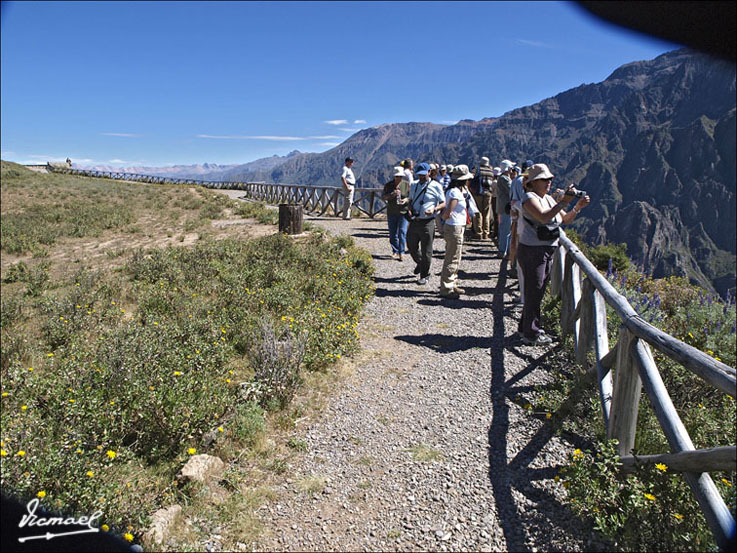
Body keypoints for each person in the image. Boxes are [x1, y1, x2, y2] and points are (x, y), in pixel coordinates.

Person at [517, 163, 590, 345]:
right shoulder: (529, 199)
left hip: (547, 249)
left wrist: (577, 207)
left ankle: (525, 327)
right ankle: (531, 333)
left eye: (550, 179)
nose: (549, 182)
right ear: (533, 182)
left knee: (538, 290)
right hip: (533, 250)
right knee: (535, 290)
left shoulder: (549, 199)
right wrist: (564, 201)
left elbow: (564, 219)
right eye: (545, 179)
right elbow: (543, 217)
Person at [439, 165, 476, 298]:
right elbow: (448, 212)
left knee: (456, 256)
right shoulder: (455, 193)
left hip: (456, 226)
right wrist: (445, 218)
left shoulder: (456, 191)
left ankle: (452, 283)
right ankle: (446, 288)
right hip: (454, 227)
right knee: (452, 257)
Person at [406, 162, 446, 285]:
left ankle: (425, 275)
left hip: (428, 222)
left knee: (426, 250)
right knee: (411, 246)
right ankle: (420, 263)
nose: (421, 177)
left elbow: (443, 203)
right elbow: (411, 200)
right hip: (415, 220)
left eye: (424, 174)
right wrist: (409, 209)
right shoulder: (414, 185)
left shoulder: (436, 186)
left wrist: (434, 209)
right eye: (419, 175)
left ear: (429, 172)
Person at [382, 166, 410, 260]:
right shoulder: (388, 185)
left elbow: (411, 197)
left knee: (402, 232)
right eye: (397, 176)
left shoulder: (407, 185)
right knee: (392, 233)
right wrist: (391, 195)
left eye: (400, 176)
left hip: (403, 211)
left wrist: (406, 200)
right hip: (392, 211)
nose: (399, 178)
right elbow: (384, 197)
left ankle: (402, 252)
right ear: (394, 176)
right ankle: (395, 250)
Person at [471, 156, 495, 240]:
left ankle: (478, 232)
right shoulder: (491, 171)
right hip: (488, 193)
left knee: (478, 212)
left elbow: (473, 178)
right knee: (486, 213)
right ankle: (486, 233)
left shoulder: (478, 170)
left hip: (478, 193)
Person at [495, 159, 514, 257]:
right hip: (505, 207)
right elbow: (511, 190)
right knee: (505, 230)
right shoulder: (504, 179)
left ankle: (504, 250)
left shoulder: (502, 178)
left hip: (503, 207)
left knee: (505, 229)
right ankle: (502, 251)